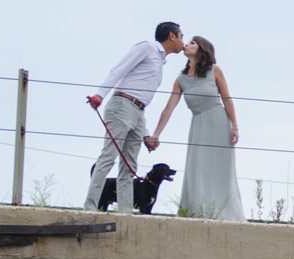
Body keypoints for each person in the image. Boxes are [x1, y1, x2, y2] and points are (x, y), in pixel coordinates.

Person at [85, 22, 183, 212]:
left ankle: (125, 211)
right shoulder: (146, 47)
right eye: (181, 36)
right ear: (172, 36)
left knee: (130, 164)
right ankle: (90, 206)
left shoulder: (159, 61)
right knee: (108, 157)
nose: (182, 41)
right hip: (122, 105)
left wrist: (145, 133)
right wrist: (100, 94)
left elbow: (141, 99)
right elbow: (119, 69)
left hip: (138, 111)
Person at [149, 35, 244, 220]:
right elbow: (169, 107)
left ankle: (223, 212)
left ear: (202, 48)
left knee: (220, 170)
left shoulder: (214, 71)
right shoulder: (181, 80)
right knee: (197, 167)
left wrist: (235, 126)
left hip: (218, 122)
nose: (186, 44)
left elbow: (227, 99)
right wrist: (156, 134)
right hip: (198, 124)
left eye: (192, 42)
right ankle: (196, 210)